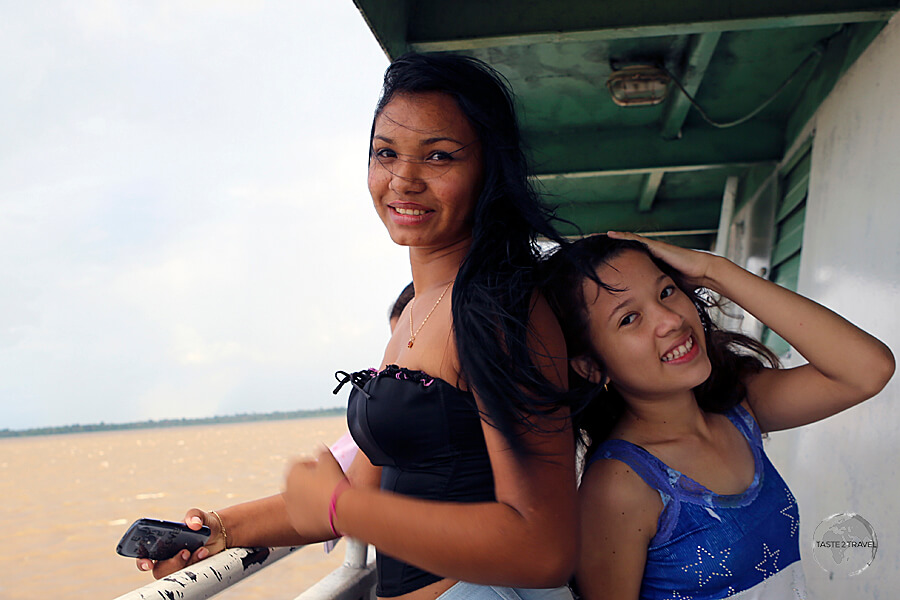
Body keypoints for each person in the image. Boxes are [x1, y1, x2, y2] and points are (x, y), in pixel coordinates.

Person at [138, 53, 580, 600]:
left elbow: (544, 548)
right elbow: (357, 492)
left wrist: (341, 506)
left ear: (491, 169)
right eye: (385, 154)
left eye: (438, 156)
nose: (403, 179)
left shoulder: (498, 308)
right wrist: (218, 531)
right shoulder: (417, 314)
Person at [542, 232, 894, 600]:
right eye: (630, 318)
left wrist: (715, 271)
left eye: (666, 291)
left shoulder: (739, 412)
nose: (670, 320)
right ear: (591, 367)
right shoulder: (620, 485)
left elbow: (868, 370)